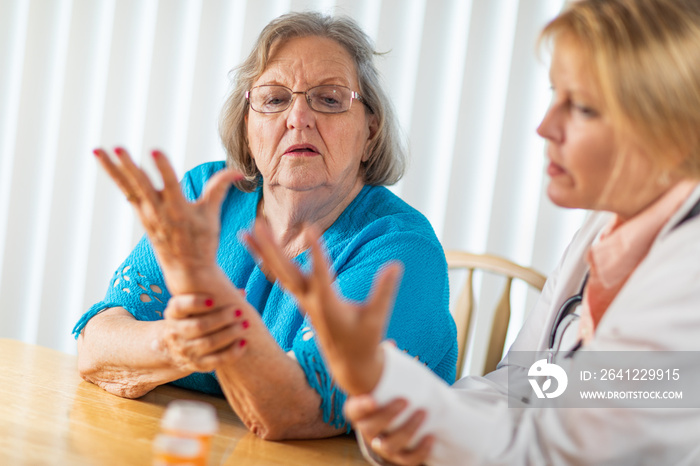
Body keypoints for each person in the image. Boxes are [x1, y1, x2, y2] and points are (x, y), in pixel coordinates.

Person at [245, 0, 700, 463]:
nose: (545, 126)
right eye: (553, 95)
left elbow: (562, 452)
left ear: (671, 123)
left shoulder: (689, 277)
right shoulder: (608, 226)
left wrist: (383, 379)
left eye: (581, 107)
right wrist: (397, 417)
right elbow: (524, 385)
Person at [72, 12, 457, 441]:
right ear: (247, 126)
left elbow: (295, 410)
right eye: (274, 100)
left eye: (329, 99)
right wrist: (180, 342)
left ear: (370, 130)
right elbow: (96, 344)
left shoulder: (401, 251)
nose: (298, 118)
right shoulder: (208, 195)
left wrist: (208, 320)